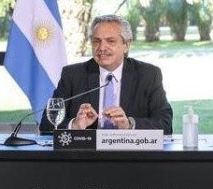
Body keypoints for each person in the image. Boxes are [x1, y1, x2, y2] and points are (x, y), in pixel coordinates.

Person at [40, 14, 173, 134]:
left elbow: (165, 124)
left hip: (130, 156)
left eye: (110, 41)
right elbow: (47, 123)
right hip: (88, 157)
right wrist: (75, 125)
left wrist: (129, 125)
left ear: (126, 45)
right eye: (96, 41)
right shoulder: (73, 75)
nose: (102, 48)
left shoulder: (148, 75)